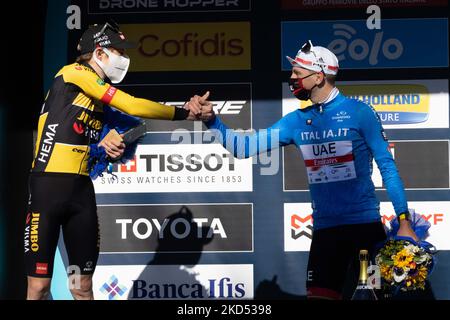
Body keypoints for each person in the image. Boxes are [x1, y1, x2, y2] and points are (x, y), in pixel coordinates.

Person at [190, 40, 418, 300]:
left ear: (319, 76)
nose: (292, 78)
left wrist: (404, 221)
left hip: (365, 231)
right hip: (325, 233)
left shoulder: (360, 112)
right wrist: (212, 120)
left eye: (298, 73)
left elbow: (387, 167)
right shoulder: (297, 121)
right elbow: (243, 148)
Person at [24, 22, 204, 300]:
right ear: (99, 53)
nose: (124, 58)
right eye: (118, 51)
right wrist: (183, 114)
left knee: (81, 286)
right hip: (48, 189)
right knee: (38, 287)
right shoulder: (73, 73)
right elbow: (130, 104)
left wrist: (112, 143)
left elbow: (127, 127)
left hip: (80, 193)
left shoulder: (96, 99)